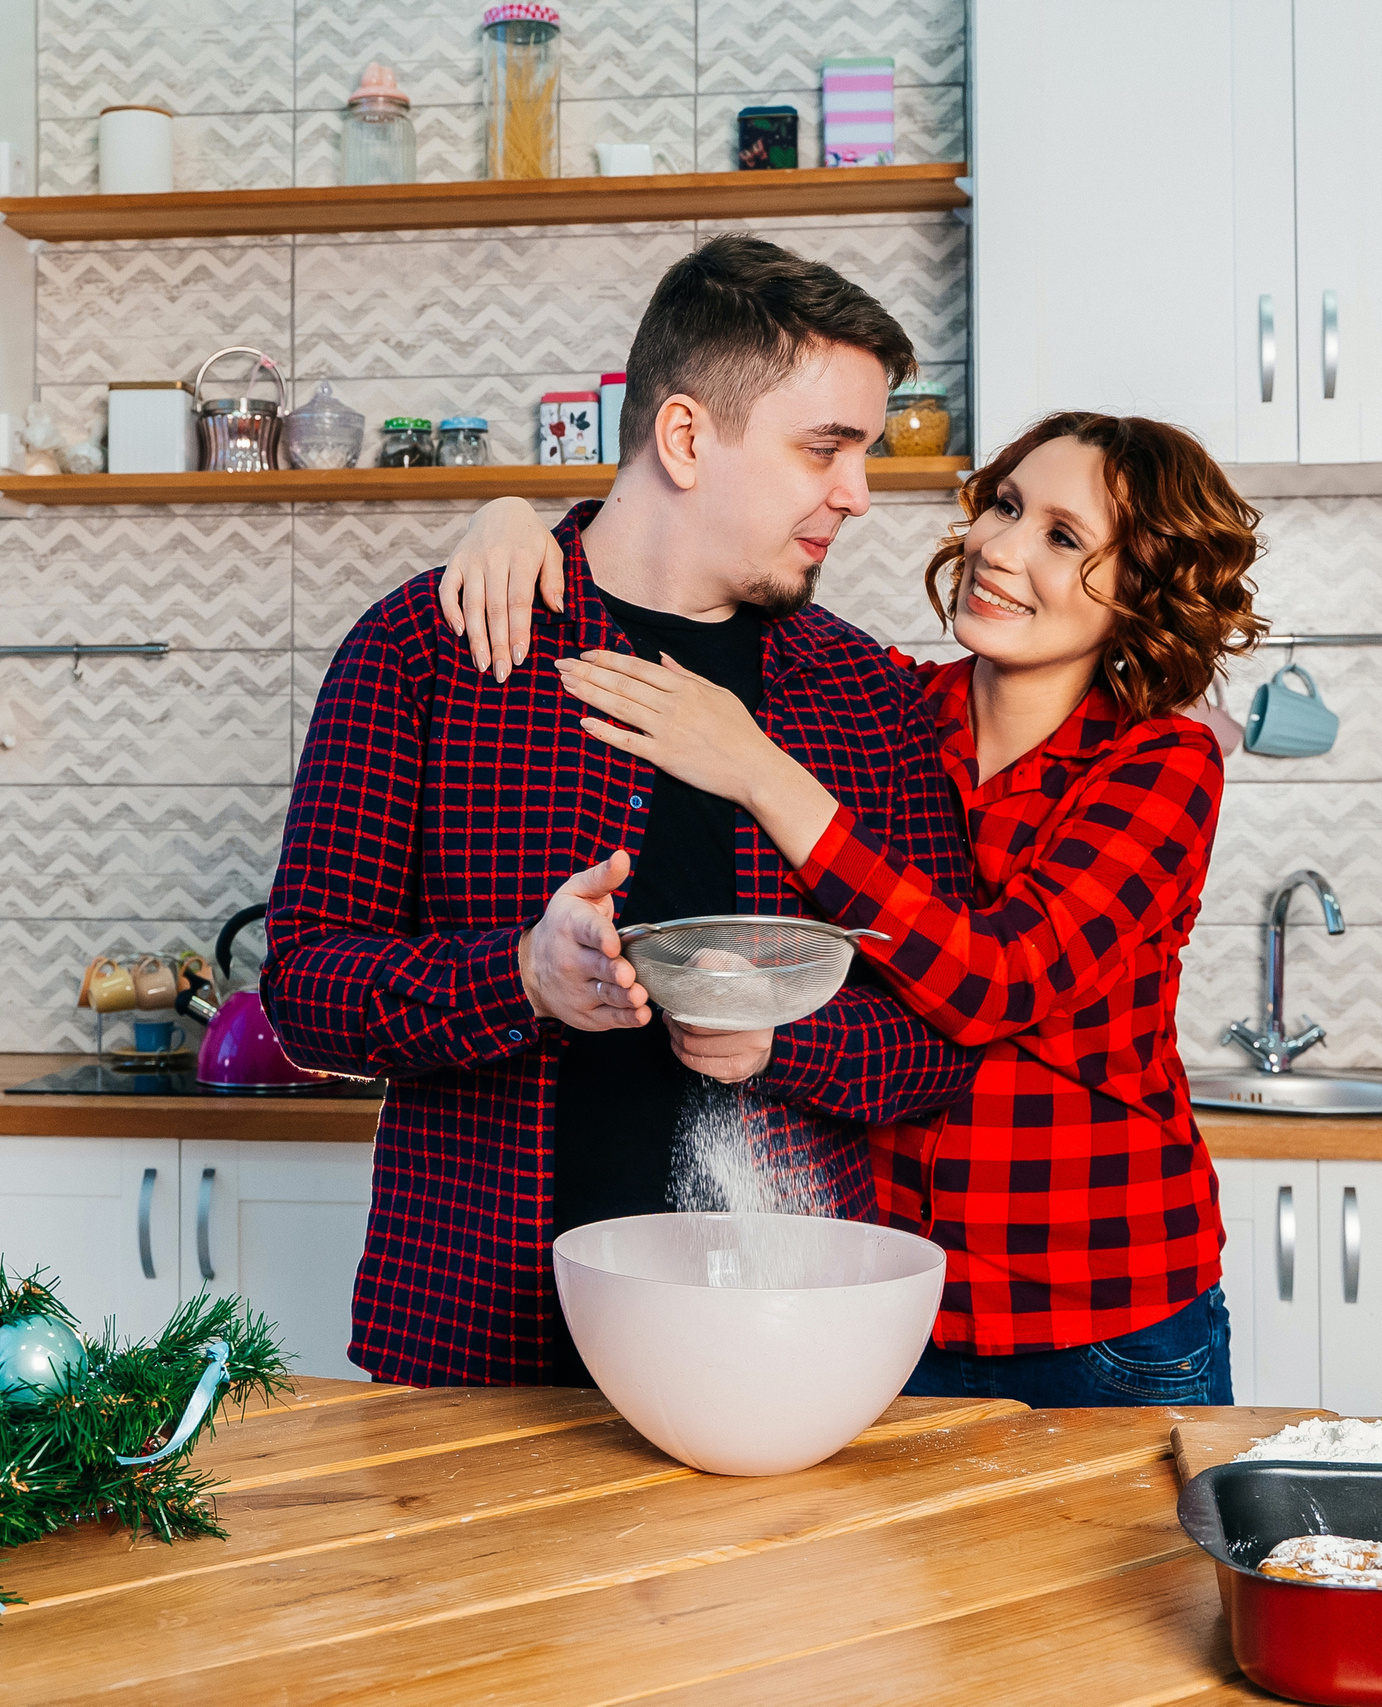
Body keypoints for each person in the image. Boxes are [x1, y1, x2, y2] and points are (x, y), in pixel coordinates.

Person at [438, 410, 1266, 1406]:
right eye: (1004, 507)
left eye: (1062, 537)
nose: (998, 549)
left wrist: (759, 770)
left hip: (1100, 1318)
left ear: (1145, 589)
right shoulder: (895, 710)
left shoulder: (1159, 764)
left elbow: (992, 983)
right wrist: (514, 520)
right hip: (880, 1304)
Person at [264, 236, 977, 1388]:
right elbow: (302, 991)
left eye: (862, 452)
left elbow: (943, 1046)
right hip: (475, 1341)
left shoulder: (867, 695)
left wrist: (786, 1039)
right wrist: (523, 981)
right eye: (824, 449)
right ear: (687, 436)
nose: (857, 490)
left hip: (777, 1356)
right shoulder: (430, 647)